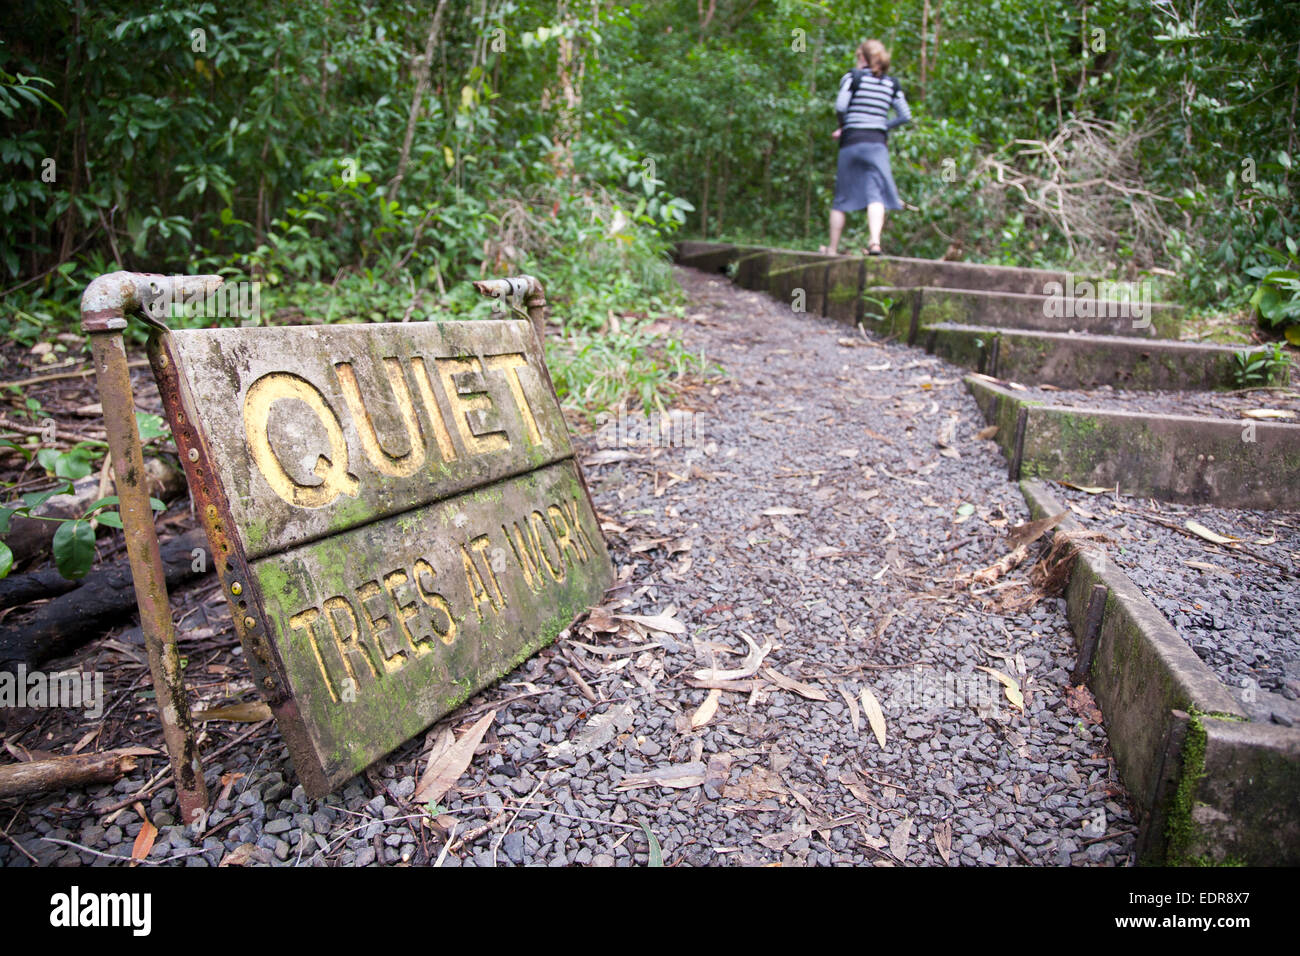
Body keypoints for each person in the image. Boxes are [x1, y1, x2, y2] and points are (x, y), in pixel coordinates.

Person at [822, 39, 911, 257]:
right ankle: (875, 243)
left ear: (862, 57)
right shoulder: (892, 84)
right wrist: (882, 126)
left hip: (851, 141)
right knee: (875, 194)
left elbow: (841, 106)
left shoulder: (853, 78)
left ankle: (832, 249)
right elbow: (905, 115)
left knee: (841, 197)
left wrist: (844, 127)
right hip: (876, 144)